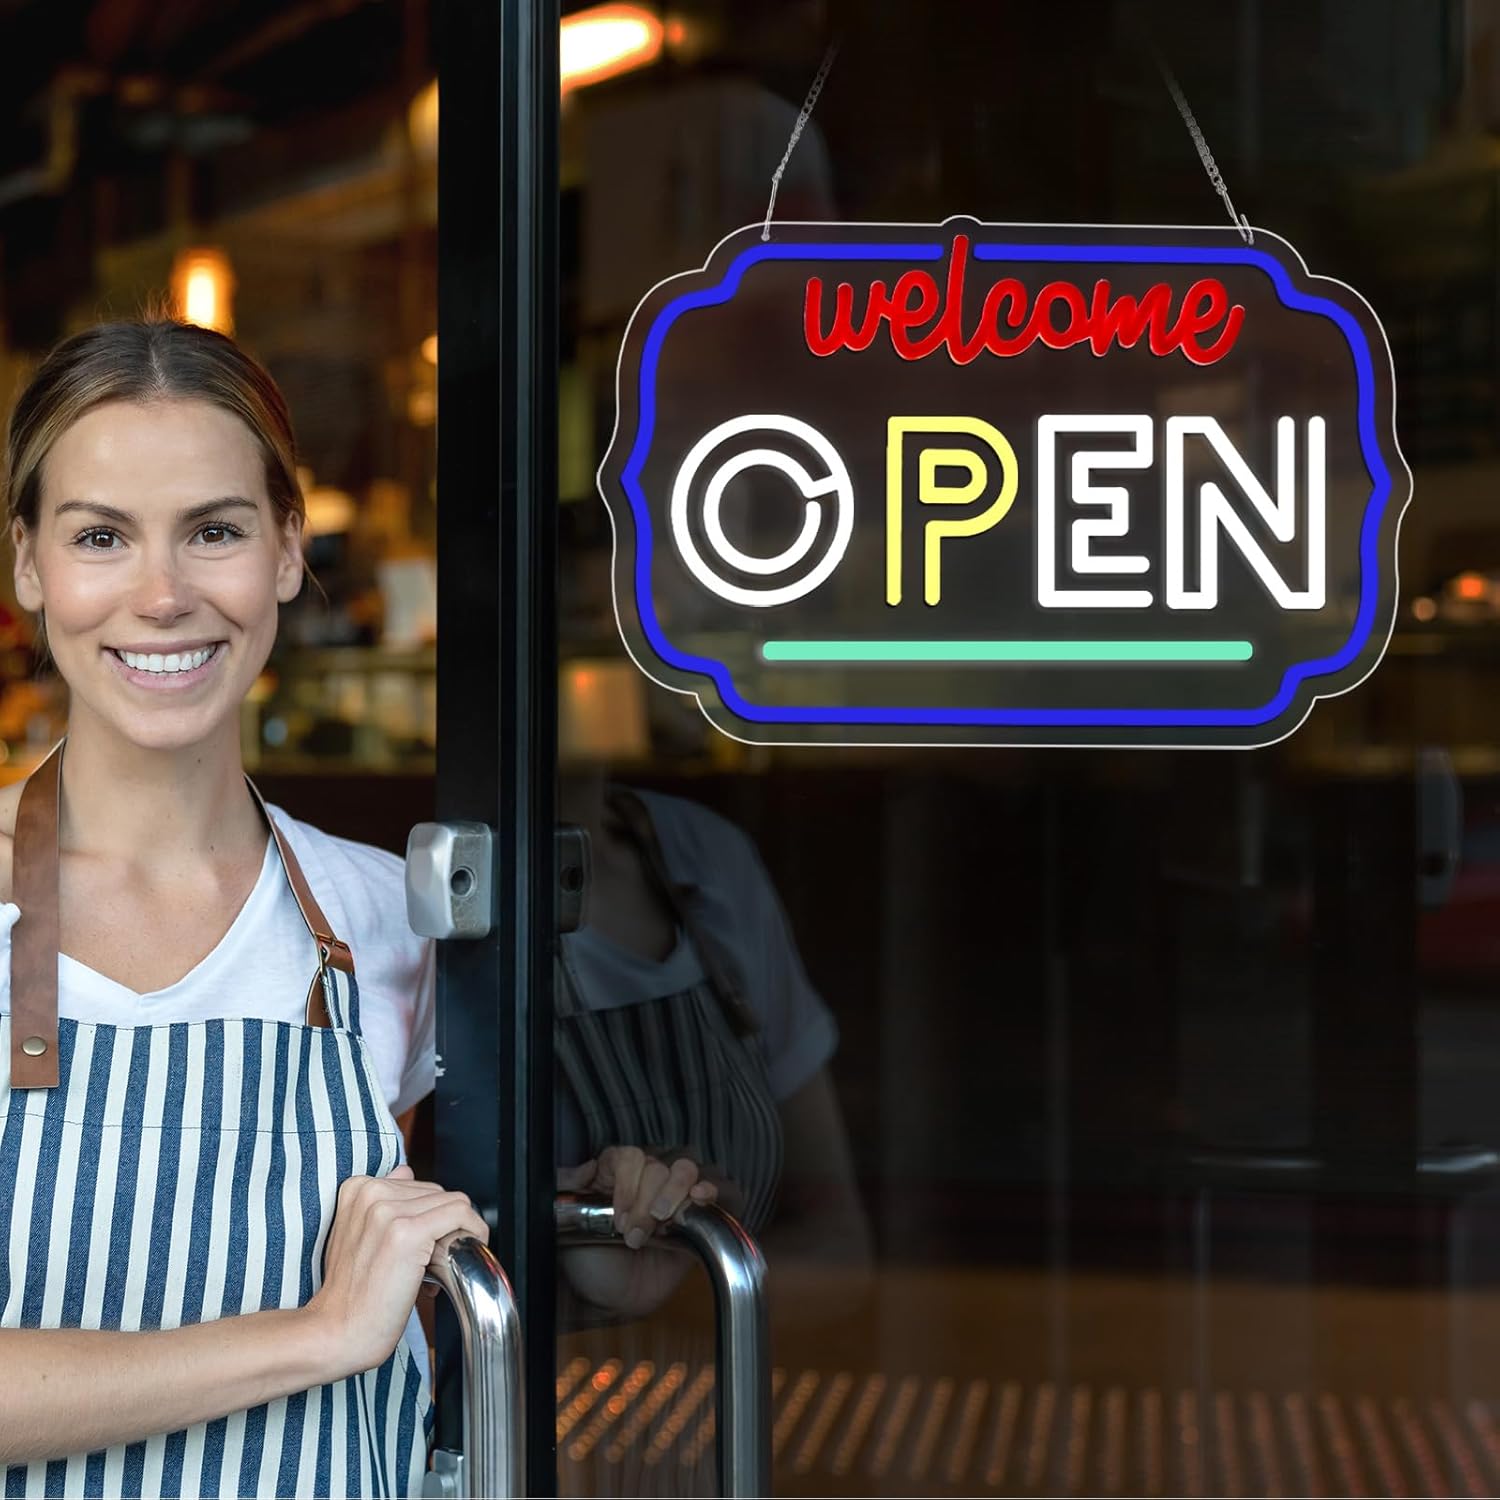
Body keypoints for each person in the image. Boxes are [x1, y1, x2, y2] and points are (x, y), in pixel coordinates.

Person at [0, 320, 711, 1496]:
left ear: (287, 548)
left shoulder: (393, 915)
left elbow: (448, 1241)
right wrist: (320, 1335)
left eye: (215, 531)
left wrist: (594, 1232)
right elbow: (347, 1310)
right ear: (28, 565)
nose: (164, 594)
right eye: (100, 537)